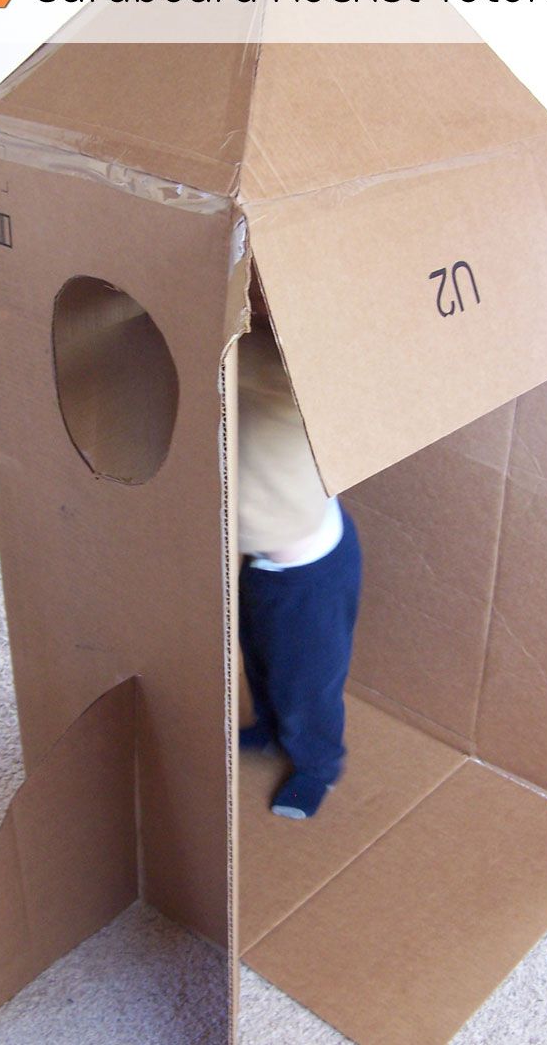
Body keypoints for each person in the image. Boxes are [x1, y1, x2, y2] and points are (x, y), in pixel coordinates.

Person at [237, 274, 362, 819]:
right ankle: (269, 728)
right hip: (261, 563)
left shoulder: (286, 371)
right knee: (261, 660)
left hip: (309, 573)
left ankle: (317, 763)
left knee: (307, 684)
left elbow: (255, 365)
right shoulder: (236, 355)